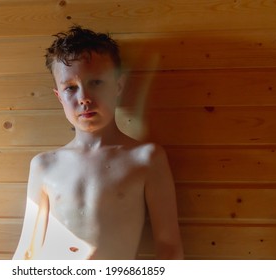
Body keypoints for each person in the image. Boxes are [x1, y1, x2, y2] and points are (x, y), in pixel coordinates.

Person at [13, 26, 183, 260]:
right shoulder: (44, 165)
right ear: (59, 96)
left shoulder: (146, 158)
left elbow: (169, 246)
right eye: (70, 88)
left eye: (96, 82)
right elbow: (27, 249)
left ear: (118, 86)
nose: (84, 97)